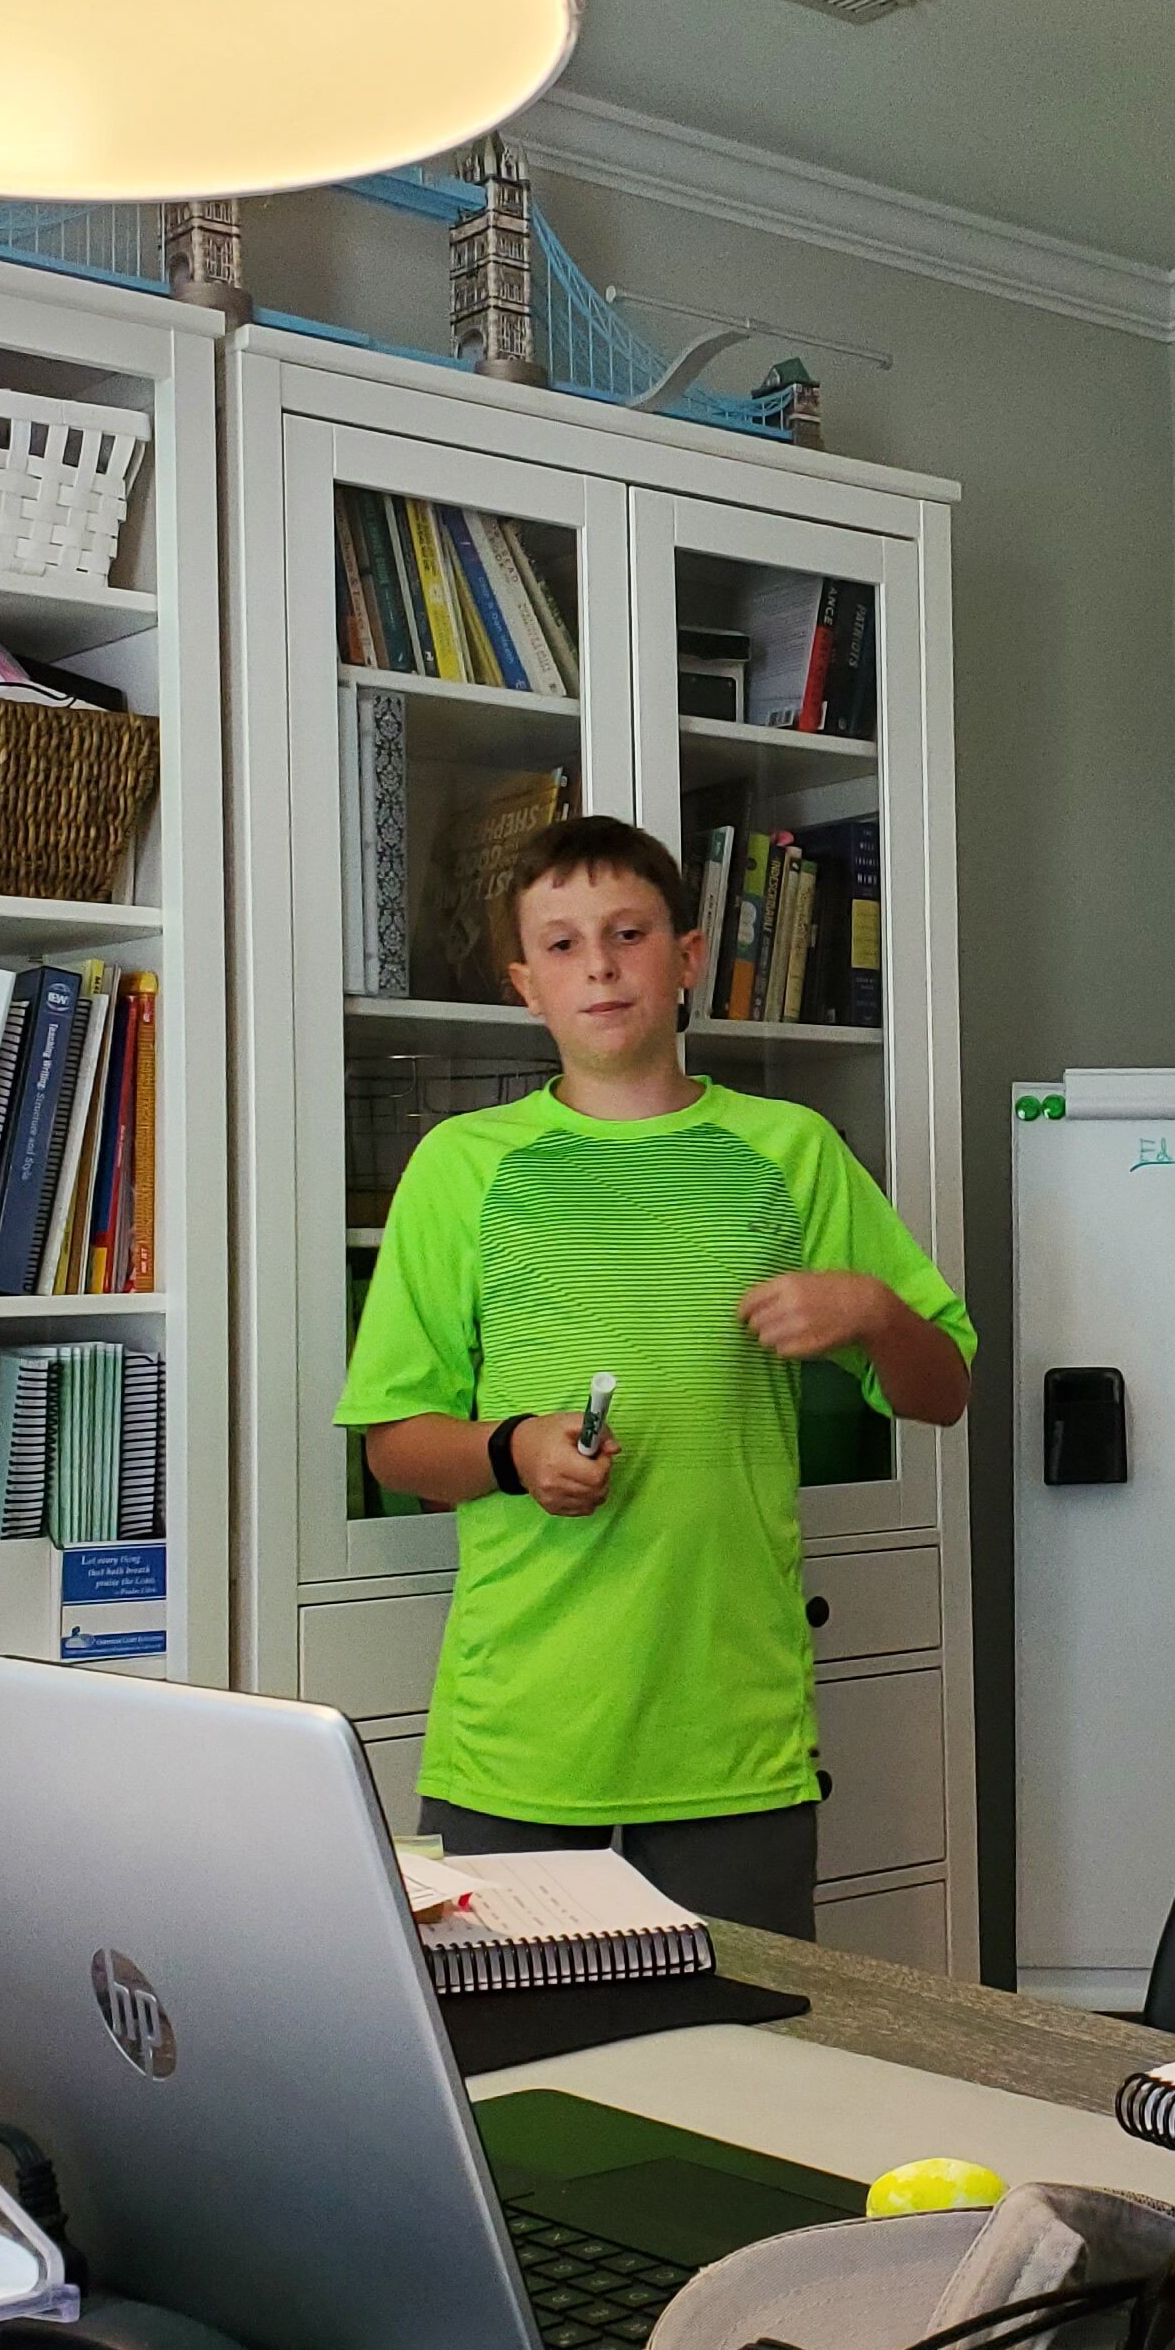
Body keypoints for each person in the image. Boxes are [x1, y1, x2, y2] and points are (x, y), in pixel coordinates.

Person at [338, 813, 974, 1936]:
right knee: (525, 2077)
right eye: (567, 945)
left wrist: (873, 1311)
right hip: (522, 1735)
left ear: (684, 961)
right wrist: (511, 1450)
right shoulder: (460, 1169)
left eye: (628, 935)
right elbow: (395, 1443)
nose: (600, 967)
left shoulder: (793, 1150)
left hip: (734, 1732)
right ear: (526, 985)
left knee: (737, 2071)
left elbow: (943, 1391)